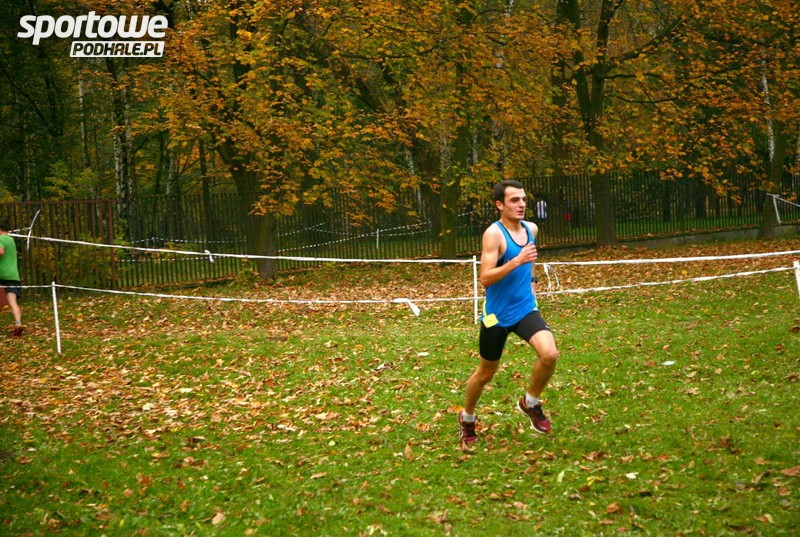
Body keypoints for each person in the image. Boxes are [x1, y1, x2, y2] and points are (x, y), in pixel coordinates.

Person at [458, 180, 559, 446]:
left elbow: (531, 258)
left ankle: (530, 402)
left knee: (549, 354)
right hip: (497, 316)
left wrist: (533, 281)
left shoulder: (531, 229)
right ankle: (467, 418)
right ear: (499, 205)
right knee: (485, 373)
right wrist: (516, 261)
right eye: (514, 200)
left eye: (523, 199)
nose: (521, 204)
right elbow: (486, 278)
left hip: (524, 308)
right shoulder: (494, 234)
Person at [0, 217, 23, 336]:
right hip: (13, 275)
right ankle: (18, 323)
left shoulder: (0, 239)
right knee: (12, 302)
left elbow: (0, 252)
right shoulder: (11, 240)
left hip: (1, 274)